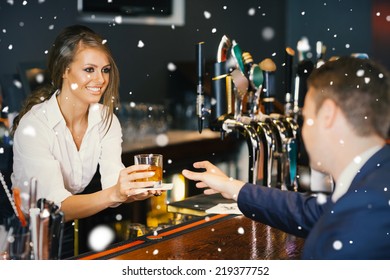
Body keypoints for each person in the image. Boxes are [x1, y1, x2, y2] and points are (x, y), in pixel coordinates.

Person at [182, 56, 390, 259]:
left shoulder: (367, 209)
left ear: (328, 115)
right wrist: (232, 186)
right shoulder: (375, 180)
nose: (302, 130)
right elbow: (313, 212)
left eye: (306, 118)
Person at [10, 25, 161, 257]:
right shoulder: (34, 126)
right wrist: (116, 194)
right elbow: (57, 206)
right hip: (25, 238)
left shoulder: (105, 118)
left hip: (69, 229)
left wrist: (132, 190)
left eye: (105, 70)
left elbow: (113, 183)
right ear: (64, 71)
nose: (100, 79)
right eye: (89, 69)